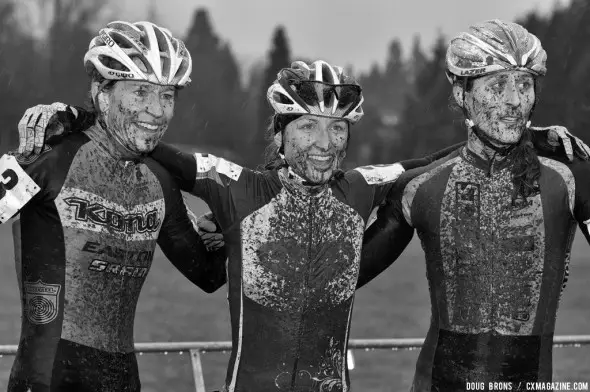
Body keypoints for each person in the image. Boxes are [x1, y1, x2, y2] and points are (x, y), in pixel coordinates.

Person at [16, 52, 588, 391]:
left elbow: (434, 161)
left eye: (338, 129)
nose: (324, 143)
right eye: (307, 127)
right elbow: (148, 139)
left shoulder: (361, 190)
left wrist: (523, 136)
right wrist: (79, 115)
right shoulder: (236, 187)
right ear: (280, 133)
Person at [358, 19, 590, 391]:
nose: (515, 101)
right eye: (498, 85)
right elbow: (340, 280)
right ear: (462, 93)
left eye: (524, 84)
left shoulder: (570, 175)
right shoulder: (422, 186)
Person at [0, 21, 227, 392]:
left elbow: (208, 275)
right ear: (103, 94)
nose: (157, 110)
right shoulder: (51, 157)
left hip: (123, 379)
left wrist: (226, 233)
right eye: (140, 92)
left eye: (167, 96)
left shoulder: (159, 178)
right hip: (48, 377)